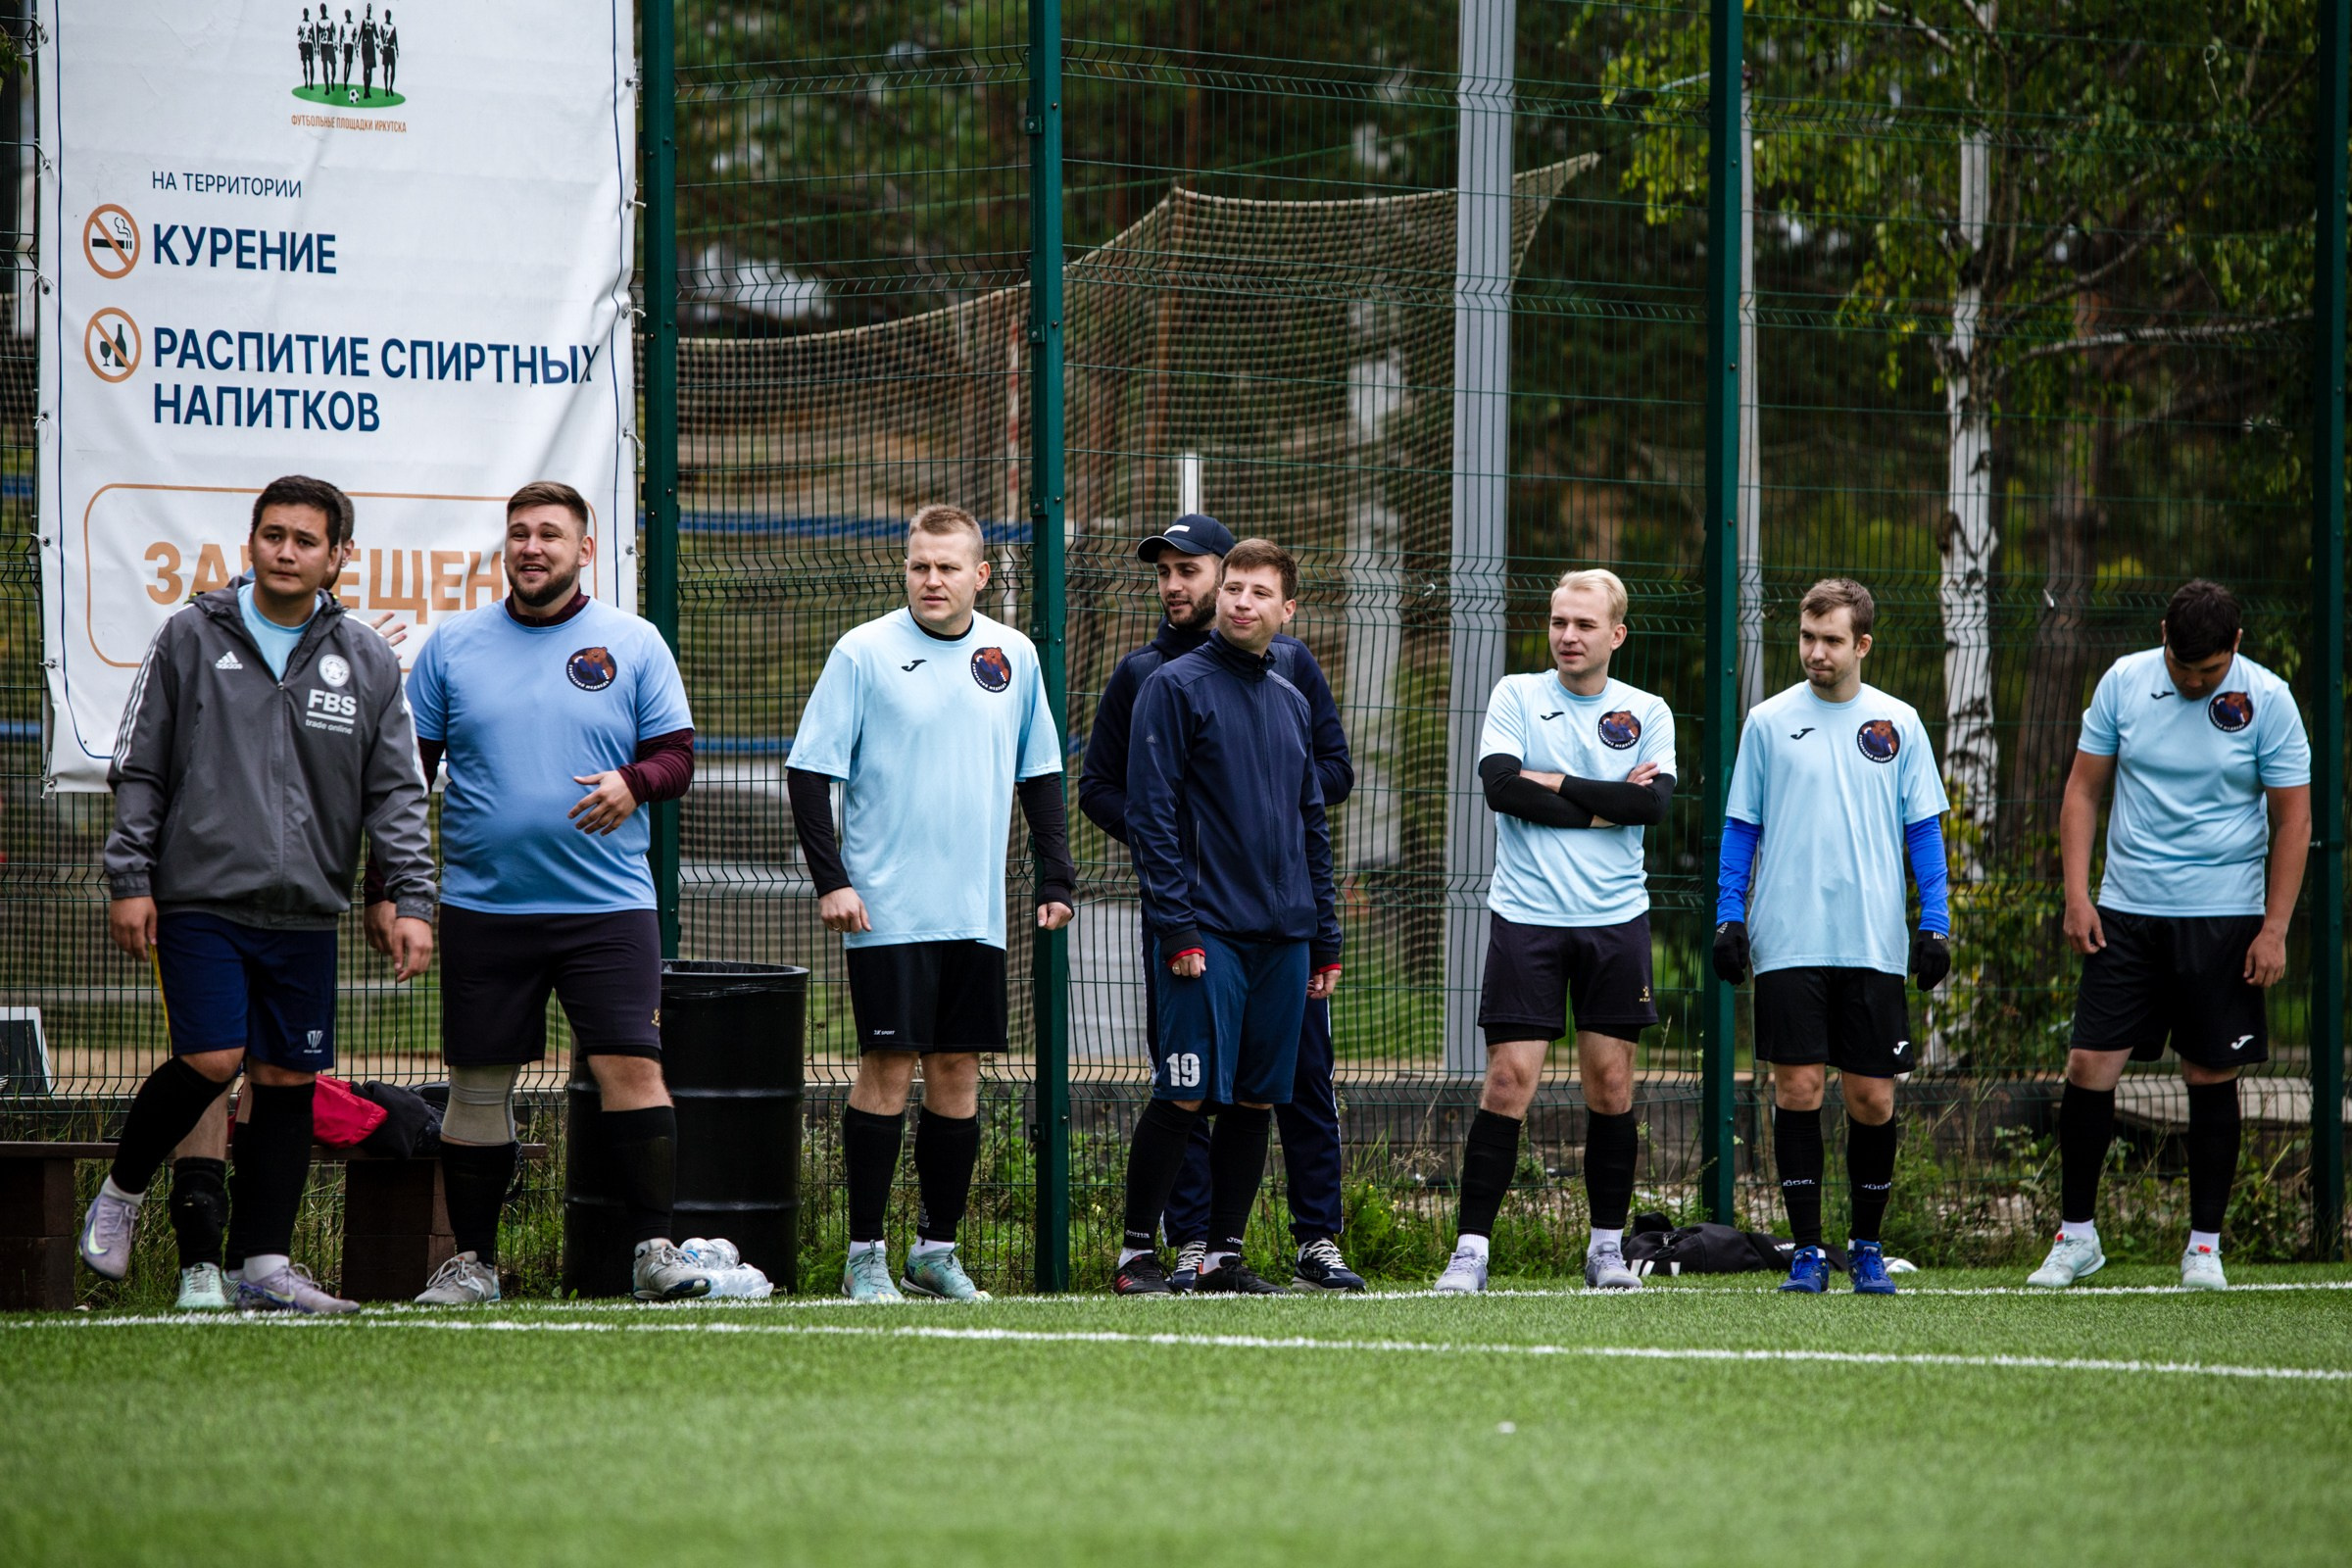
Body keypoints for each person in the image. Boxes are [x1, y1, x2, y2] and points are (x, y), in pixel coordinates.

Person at [79, 474, 436, 1313]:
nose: (286, 551)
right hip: (199, 897)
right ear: (251, 543)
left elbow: (396, 792)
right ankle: (122, 1191)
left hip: (307, 906)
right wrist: (130, 878)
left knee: (286, 1078)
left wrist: (412, 898)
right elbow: (139, 767)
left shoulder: (367, 658)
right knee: (215, 1057)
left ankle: (262, 1268)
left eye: (305, 540)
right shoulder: (189, 638)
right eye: (273, 534)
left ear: (338, 556)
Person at [389, 480, 710, 1305]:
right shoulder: (452, 646)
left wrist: (635, 783)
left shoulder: (632, 642)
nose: (532, 548)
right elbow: (405, 782)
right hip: (484, 908)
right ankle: (474, 1266)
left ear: (585, 551)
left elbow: (677, 755)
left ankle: (653, 1252)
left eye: (551, 536)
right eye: (520, 534)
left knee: (631, 1070)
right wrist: (390, 891)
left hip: (607, 909)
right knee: (477, 1083)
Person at [788, 504, 1074, 1302]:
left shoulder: (1013, 655)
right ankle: (864, 1257)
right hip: (887, 913)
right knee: (886, 1068)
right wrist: (832, 879)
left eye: (949, 567)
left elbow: (1041, 773)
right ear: (904, 570)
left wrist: (1057, 877)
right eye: (920, 566)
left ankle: (934, 1253)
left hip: (975, 913)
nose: (932, 580)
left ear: (982, 575)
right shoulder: (864, 652)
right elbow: (809, 772)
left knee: (958, 1072)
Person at [1079, 514, 1364, 1293]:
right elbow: (1149, 813)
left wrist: (1326, 938)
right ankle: (1139, 1254)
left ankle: (1221, 1259)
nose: (1241, 602)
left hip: (1286, 936)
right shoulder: (1168, 684)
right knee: (1184, 1091)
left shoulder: (1290, 696)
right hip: (1206, 931)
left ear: (1287, 609)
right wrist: (1178, 922)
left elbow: (1313, 821)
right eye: (1233, 588)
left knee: (1255, 1100)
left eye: (1258, 592)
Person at [2029, 580, 2312, 1292]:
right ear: (2162, 635)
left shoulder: (2269, 700)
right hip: (2126, 914)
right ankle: (2077, 1238)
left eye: (2209, 671)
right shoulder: (2125, 681)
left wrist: (2273, 929)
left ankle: (2204, 1249)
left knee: (2209, 1074)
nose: (2193, 680)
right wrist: (2076, 896)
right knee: (2089, 1067)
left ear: (2236, 648)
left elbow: (2293, 822)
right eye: (2182, 666)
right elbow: (2083, 792)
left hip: (2224, 919)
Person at [1432, 568, 1675, 1295]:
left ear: (1616, 635)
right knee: (1508, 1082)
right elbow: (1501, 787)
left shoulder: (1648, 710)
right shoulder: (1516, 694)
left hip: (1615, 921)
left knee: (1611, 1084)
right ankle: (1471, 1252)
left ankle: (1606, 1249)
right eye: (1559, 622)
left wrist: (1556, 782)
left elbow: (1654, 808)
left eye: (1585, 625)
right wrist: (1606, 801)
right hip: (1527, 917)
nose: (1568, 636)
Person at [1711, 577, 1950, 1296]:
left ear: (1863, 645)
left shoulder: (1900, 722)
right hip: (1789, 939)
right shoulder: (1767, 720)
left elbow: (1924, 833)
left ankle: (1868, 1246)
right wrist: (1730, 914)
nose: (1816, 652)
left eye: (1832, 640)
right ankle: (1809, 1251)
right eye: (1808, 638)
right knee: (1799, 1089)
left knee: (1873, 1099)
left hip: (1872, 942)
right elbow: (1740, 827)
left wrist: (1934, 923)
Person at [299, 8, 317, 90]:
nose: (306, 14)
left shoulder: (310, 24)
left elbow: (313, 36)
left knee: (311, 64)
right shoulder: (301, 24)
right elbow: (299, 34)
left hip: (309, 45)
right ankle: (306, 80)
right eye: (305, 13)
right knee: (304, 64)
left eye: (306, 13)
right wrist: (299, 43)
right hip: (303, 44)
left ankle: (311, 82)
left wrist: (315, 47)